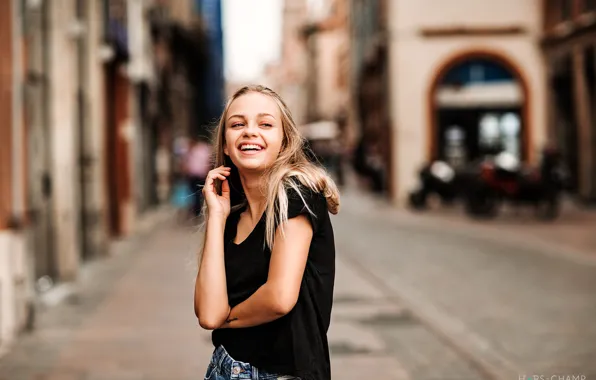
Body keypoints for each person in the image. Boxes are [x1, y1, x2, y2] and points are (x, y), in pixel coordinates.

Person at [194, 85, 340, 380]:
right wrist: (216, 217)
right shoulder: (231, 215)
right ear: (224, 143)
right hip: (223, 367)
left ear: (284, 142)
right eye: (237, 124)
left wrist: (228, 321)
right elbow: (209, 314)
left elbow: (278, 298)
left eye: (265, 124)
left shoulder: (296, 194)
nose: (249, 131)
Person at [184, 135, 213, 217]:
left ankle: (197, 210)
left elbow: (208, 161)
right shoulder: (192, 150)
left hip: (200, 175)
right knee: (194, 193)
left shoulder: (203, 149)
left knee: (197, 193)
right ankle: (196, 209)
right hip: (193, 175)